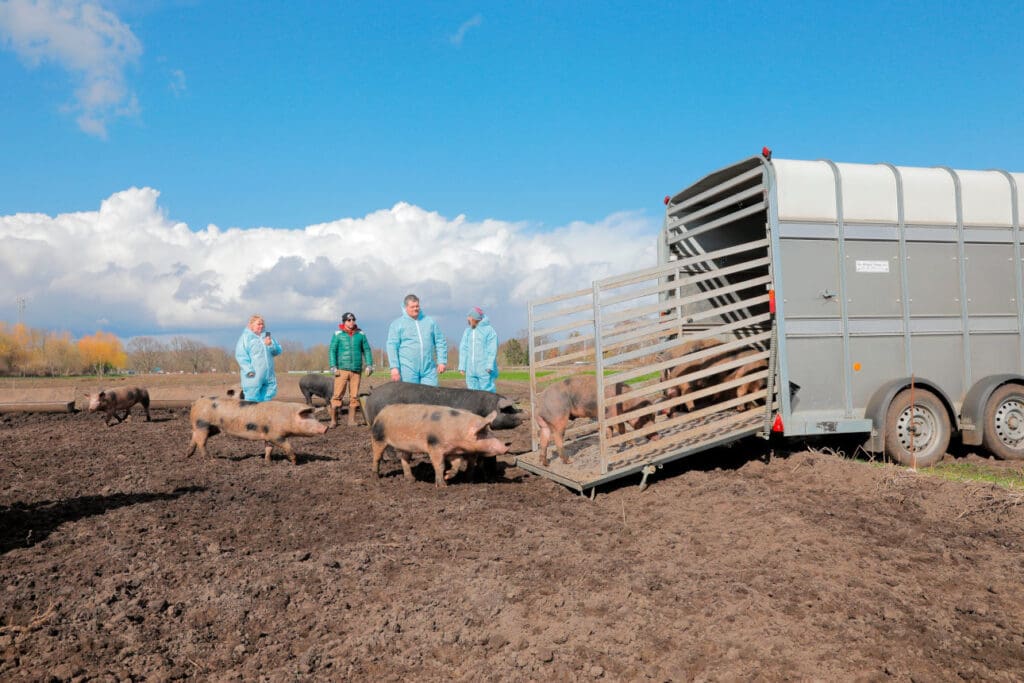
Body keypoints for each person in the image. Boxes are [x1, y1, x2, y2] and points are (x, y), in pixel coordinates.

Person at [386, 293, 448, 386]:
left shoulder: (429, 322)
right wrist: (394, 368)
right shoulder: (397, 324)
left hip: (428, 369)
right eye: (412, 307)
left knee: (431, 396)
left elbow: (440, 341)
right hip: (407, 369)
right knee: (411, 397)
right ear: (406, 307)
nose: (416, 309)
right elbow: (392, 347)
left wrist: (442, 361)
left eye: (417, 306)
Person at [329, 312, 373, 427]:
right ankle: (333, 421)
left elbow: (367, 350)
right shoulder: (338, 334)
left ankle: (351, 421)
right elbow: (332, 350)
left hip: (356, 370)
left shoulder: (361, 334)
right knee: (337, 395)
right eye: (349, 320)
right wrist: (333, 366)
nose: (351, 322)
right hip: (341, 369)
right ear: (344, 321)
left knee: (354, 396)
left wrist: (369, 365)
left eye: (353, 319)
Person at [235, 314, 282, 402]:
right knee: (252, 401)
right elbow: (241, 356)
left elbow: (277, 351)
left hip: (269, 376)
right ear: (251, 325)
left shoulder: (267, 336)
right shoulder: (245, 338)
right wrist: (249, 370)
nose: (261, 326)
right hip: (254, 375)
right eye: (258, 324)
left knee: (267, 400)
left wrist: (271, 344)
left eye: (262, 324)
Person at [458, 306, 499, 392]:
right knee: (472, 393)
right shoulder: (468, 331)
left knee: (487, 392)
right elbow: (463, 349)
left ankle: (490, 405)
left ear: (474, 319)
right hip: (470, 370)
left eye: (469, 318)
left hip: (484, 370)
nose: (468, 320)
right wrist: (462, 366)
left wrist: (489, 365)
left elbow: (492, 349)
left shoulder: (489, 331)